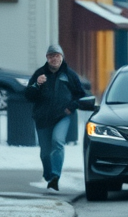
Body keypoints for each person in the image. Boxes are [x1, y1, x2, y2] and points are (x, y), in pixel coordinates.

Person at [25, 44, 87, 191]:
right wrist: (36, 85)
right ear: (47, 58)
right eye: (51, 56)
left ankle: (55, 175)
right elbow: (28, 95)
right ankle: (48, 176)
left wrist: (70, 108)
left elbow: (80, 95)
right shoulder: (40, 74)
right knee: (45, 152)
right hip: (42, 118)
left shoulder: (69, 75)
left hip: (62, 117)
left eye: (57, 55)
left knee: (58, 142)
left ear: (62, 57)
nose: (54, 58)